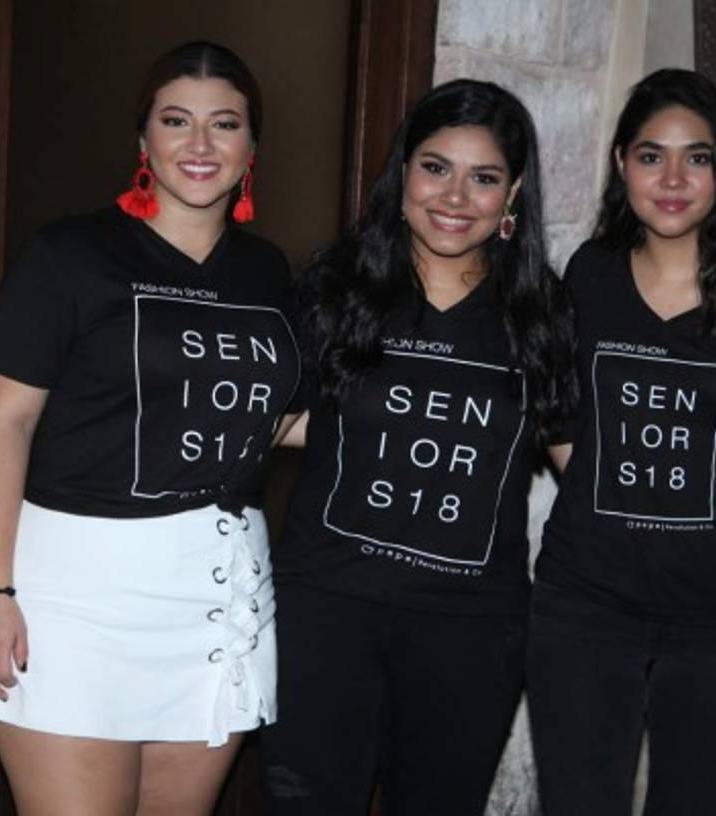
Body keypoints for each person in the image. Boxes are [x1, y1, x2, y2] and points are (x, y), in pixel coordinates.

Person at [0, 41, 301, 815]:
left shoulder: (268, 273)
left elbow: (268, 420)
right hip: (79, 599)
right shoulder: (69, 255)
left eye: (225, 124)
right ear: (142, 140)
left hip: (215, 600)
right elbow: (4, 425)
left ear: (252, 149)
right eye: (176, 121)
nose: (201, 145)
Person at [258, 79, 577, 816]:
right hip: (324, 618)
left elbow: (589, 467)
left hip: (470, 636)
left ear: (513, 195)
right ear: (402, 173)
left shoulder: (540, 315)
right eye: (436, 167)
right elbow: (265, 426)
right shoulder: (335, 290)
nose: (456, 196)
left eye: (484, 177)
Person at [526, 68, 716, 815]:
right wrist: (614, 481)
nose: (672, 179)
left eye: (696, 158)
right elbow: (563, 420)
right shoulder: (590, 277)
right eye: (650, 155)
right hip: (582, 612)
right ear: (620, 164)